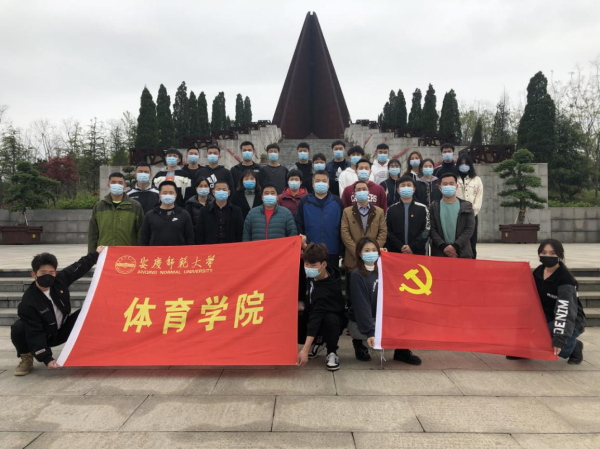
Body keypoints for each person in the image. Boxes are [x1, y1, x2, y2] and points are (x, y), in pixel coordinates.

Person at [11, 247, 105, 375]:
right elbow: (35, 333)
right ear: (34, 274)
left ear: (55, 273)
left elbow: (78, 267)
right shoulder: (28, 302)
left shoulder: (59, 281)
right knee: (19, 327)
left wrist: (97, 253)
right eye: (43, 273)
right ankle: (26, 358)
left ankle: (89, 350)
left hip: (61, 330)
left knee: (89, 311)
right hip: (45, 336)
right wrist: (47, 358)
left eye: (51, 272)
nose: (48, 276)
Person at [507, 239, 586, 363]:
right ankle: (523, 349)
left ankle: (574, 346)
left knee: (549, 339)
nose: (547, 256)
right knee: (524, 316)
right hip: (546, 314)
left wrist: (560, 340)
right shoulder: (539, 271)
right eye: (543, 252)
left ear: (560, 255)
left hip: (570, 319)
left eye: (552, 253)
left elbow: (565, 312)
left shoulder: (565, 280)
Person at [347, 237, 421, 365]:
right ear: (359, 253)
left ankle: (402, 351)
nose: (371, 253)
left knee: (408, 317)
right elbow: (362, 306)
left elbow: (399, 277)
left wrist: (388, 258)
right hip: (362, 321)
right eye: (367, 250)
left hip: (382, 318)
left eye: (374, 250)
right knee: (380, 343)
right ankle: (360, 344)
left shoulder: (383, 268)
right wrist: (370, 332)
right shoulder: (357, 275)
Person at [296, 243, 346, 371]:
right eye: (306, 264)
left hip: (333, 320)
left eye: (312, 266)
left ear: (324, 265)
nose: (308, 268)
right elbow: (316, 253)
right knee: (295, 315)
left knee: (329, 319)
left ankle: (332, 351)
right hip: (313, 310)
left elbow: (316, 318)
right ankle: (318, 341)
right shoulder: (318, 272)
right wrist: (304, 245)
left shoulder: (326, 290)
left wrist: (305, 350)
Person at [295, 171, 344, 268]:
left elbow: (342, 227)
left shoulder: (337, 202)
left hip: (332, 250)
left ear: (328, 184)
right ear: (313, 184)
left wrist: (341, 250)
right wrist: (303, 246)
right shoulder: (304, 201)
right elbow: (299, 224)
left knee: (331, 275)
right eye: (317, 181)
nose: (321, 183)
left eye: (324, 181)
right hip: (310, 250)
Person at [88, 172, 144, 253]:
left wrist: (140, 253)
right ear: (108, 185)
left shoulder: (135, 206)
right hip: (104, 253)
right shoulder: (99, 206)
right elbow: (93, 233)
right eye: (113, 182)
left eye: (120, 183)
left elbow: (141, 232)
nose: (117, 185)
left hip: (127, 254)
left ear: (124, 185)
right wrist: (91, 255)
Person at [341, 180, 387, 275]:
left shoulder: (379, 211)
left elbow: (383, 232)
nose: (361, 191)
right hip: (353, 259)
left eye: (364, 189)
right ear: (354, 193)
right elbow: (345, 234)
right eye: (358, 190)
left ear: (368, 192)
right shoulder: (347, 212)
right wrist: (358, 252)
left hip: (373, 258)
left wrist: (373, 250)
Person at [429, 173, 475, 259]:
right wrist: (443, 246)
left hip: (462, 253)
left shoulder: (466, 206)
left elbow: (469, 229)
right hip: (440, 253)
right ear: (439, 187)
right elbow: (432, 229)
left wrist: (455, 246)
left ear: (456, 186)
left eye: (451, 183)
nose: (448, 186)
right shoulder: (434, 207)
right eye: (445, 184)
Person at [139, 181, 194, 246]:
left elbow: (189, 239)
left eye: (171, 193)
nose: (168, 195)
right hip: (155, 252)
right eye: (164, 193)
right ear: (159, 195)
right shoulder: (150, 215)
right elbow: (144, 239)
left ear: (176, 195)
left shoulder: (184, 214)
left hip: (177, 252)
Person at [386, 176, 430, 255]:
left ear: (414, 189)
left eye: (409, 185)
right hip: (396, 252)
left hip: (417, 252)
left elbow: (426, 230)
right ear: (398, 190)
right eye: (403, 185)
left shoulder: (423, 208)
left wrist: (412, 247)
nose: (406, 187)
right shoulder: (391, 209)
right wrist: (400, 246)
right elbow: (387, 231)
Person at [455, 154, 483, 259]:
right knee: (458, 242)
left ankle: (472, 263)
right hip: (456, 216)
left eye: (466, 164)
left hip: (472, 215)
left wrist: (472, 213)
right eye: (461, 164)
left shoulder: (477, 180)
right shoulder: (454, 179)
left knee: (472, 242)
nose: (464, 166)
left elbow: (479, 198)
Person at [186, 176, 212, 242]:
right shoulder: (190, 204)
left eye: (205, 186)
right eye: (201, 186)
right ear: (196, 188)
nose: (203, 188)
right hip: (195, 239)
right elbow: (188, 225)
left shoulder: (214, 203)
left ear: (209, 188)